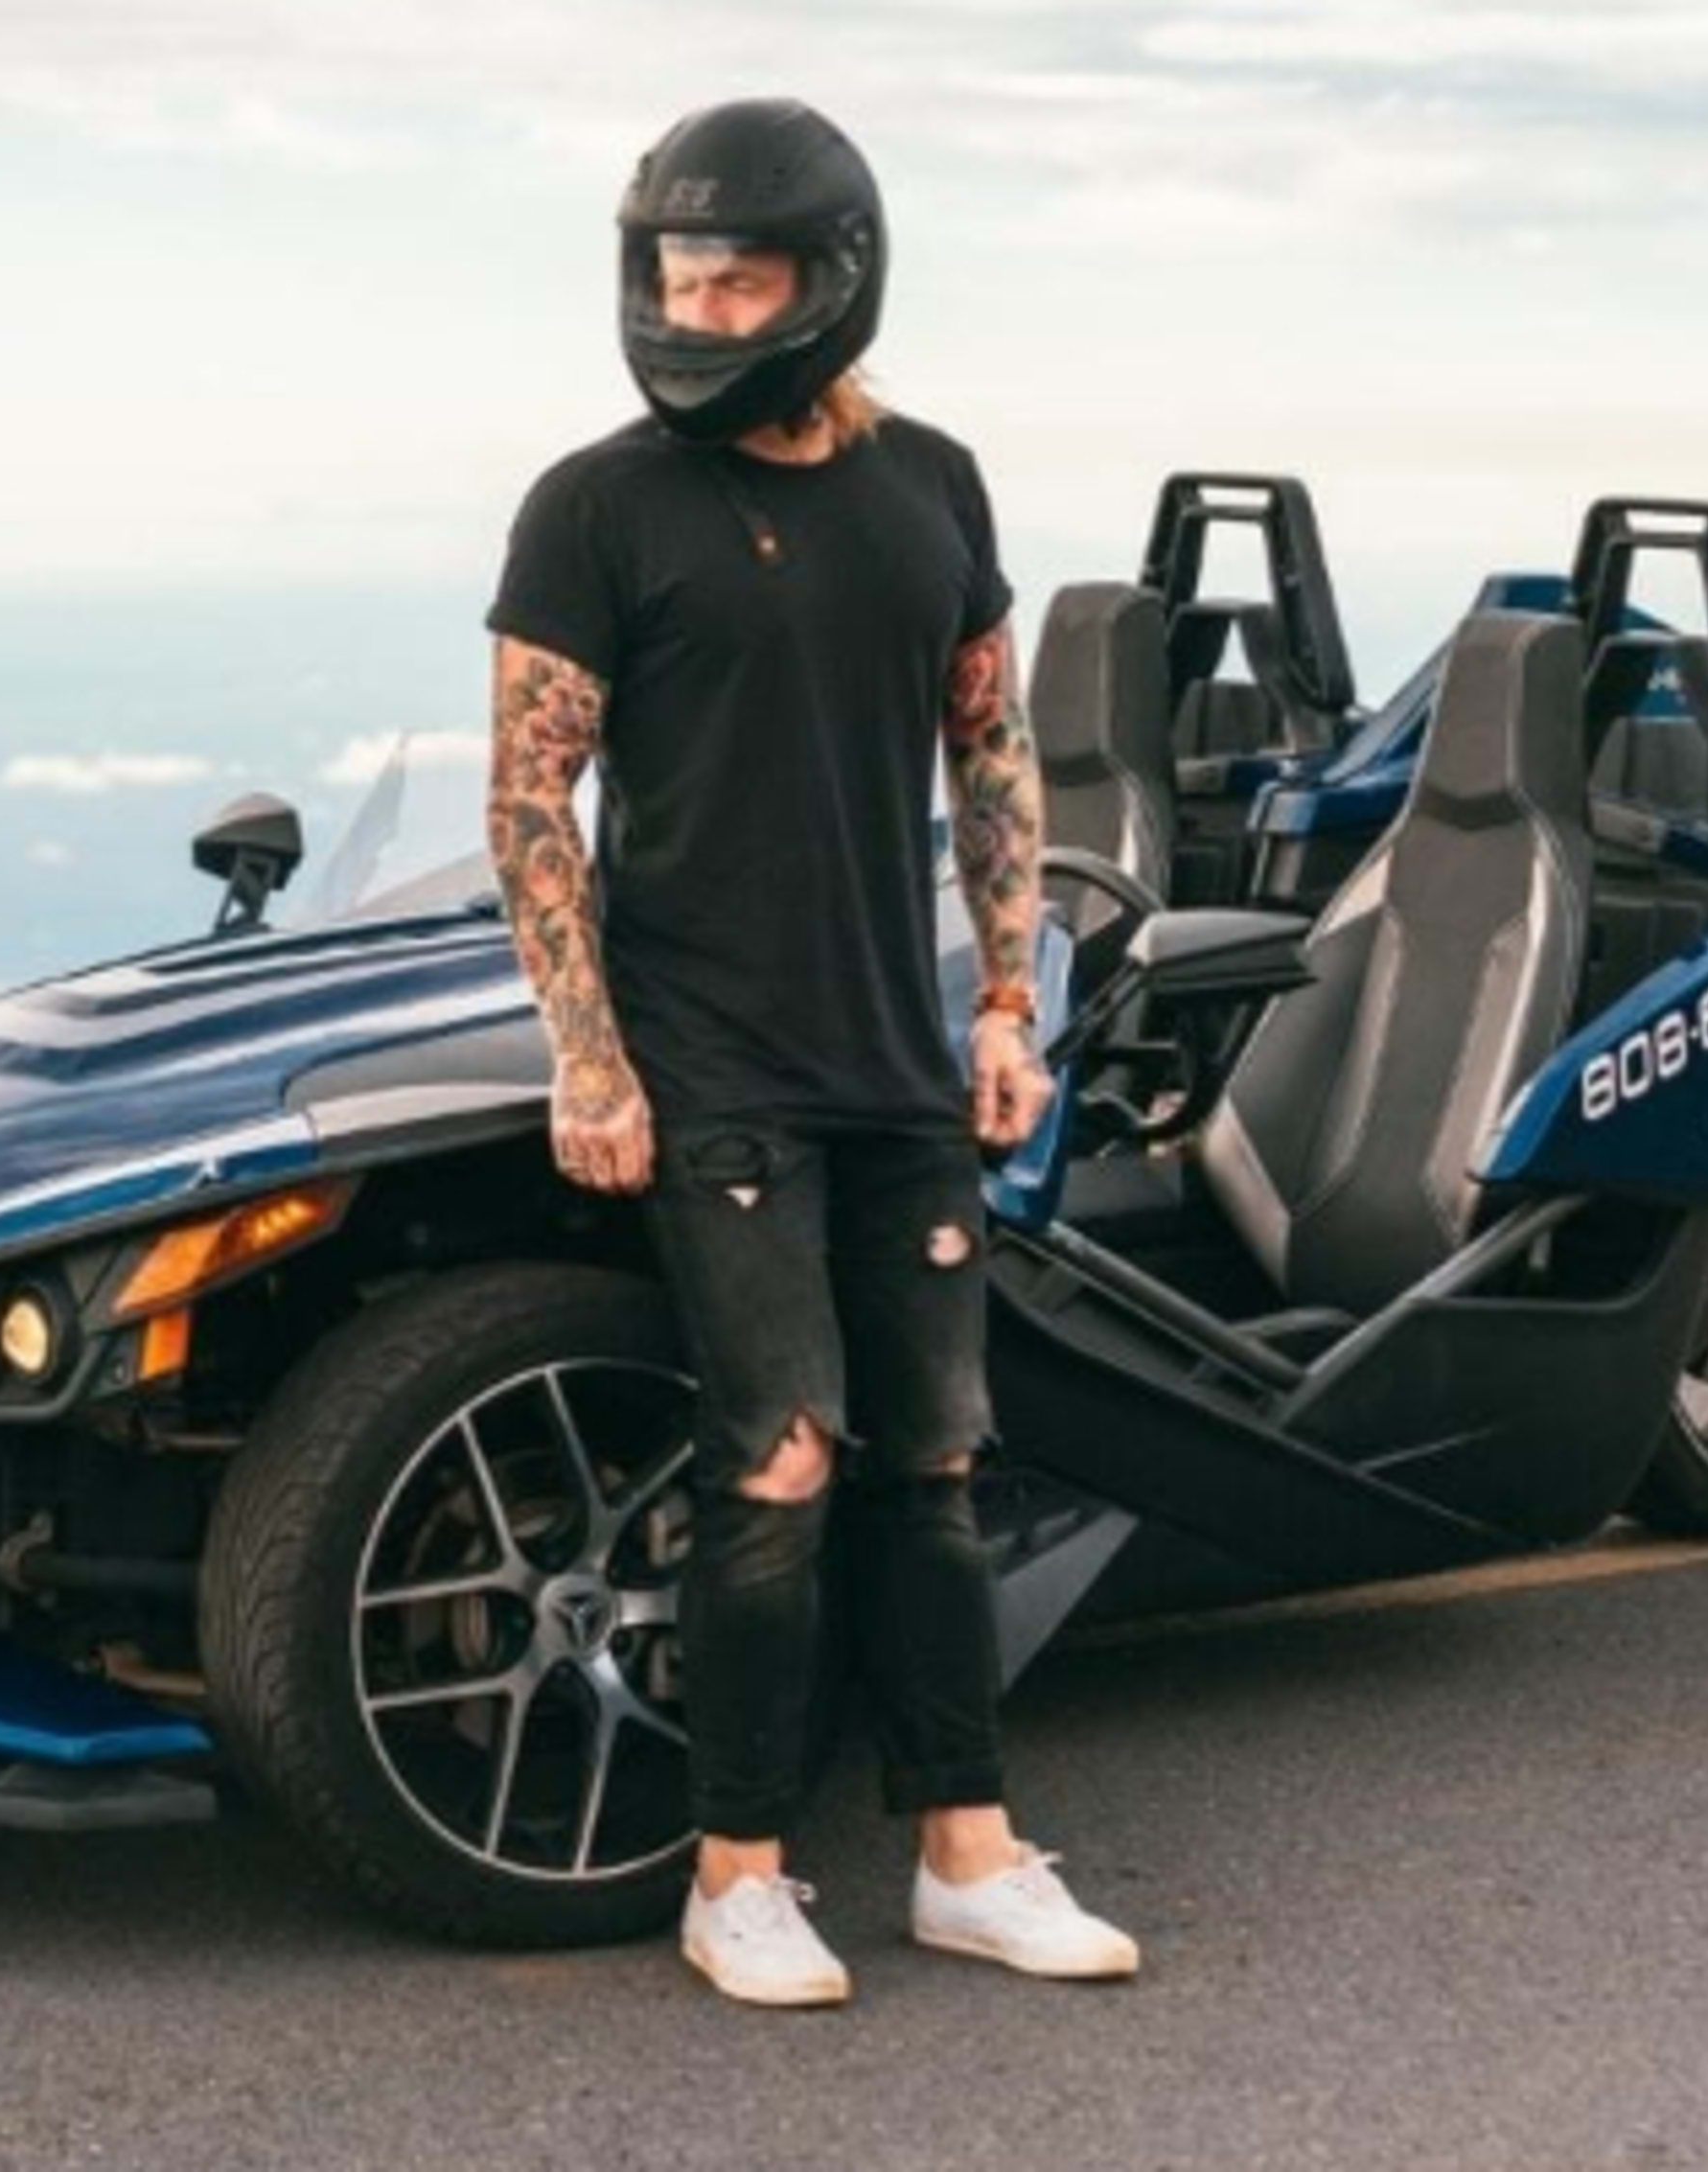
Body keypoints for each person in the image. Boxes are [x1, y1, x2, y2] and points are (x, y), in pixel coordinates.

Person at [483, 96, 1140, 2008]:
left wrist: (1006, 1002)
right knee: (773, 1458)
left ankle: (963, 1853)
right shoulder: (594, 505)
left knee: (930, 1456)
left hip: (894, 1053)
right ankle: (737, 1876)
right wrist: (587, 1056)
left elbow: (988, 745)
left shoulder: (928, 483)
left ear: (827, 282)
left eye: (732, 274)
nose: (693, 305)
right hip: (710, 1065)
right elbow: (532, 788)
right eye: (672, 273)